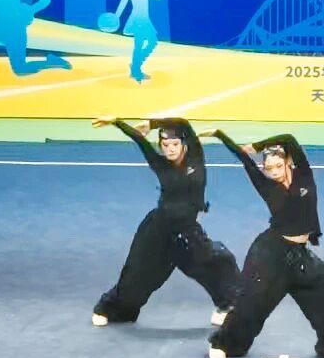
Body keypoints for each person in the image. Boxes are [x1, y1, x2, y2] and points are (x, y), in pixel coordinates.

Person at [200, 129, 324, 358]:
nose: (273, 172)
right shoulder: (266, 186)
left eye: (278, 166)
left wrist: (256, 146)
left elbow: (288, 139)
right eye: (268, 168)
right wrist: (220, 136)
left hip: (299, 255)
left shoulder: (304, 175)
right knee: (252, 302)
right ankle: (224, 343)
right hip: (270, 254)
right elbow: (244, 160)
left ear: (288, 163)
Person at [90, 116, 240, 326]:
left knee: (214, 263)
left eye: (175, 144)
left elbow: (182, 122)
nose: (170, 149)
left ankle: (227, 306)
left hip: (186, 232)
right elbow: (139, 139)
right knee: (137, 272)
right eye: (165, 145)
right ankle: (113, 309)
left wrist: (152, 124)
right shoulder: (159, 163)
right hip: (157, 230)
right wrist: (117, 122)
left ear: (184, 143)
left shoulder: (195, 157)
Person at [112, 0, 160, 83]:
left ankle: (135, 66)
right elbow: (122, 4)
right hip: (139, 20)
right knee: (144, 44)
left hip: (143, 19)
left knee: (148, 43)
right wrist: (115, 17)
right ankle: (136, 69)